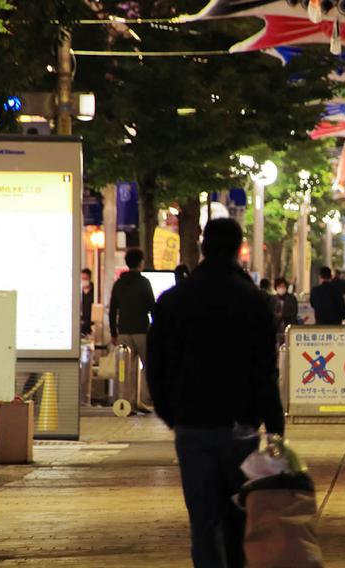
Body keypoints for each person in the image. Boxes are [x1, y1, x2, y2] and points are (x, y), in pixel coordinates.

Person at [146, 218, 283, 568]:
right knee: (239, 516)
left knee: (203, 522)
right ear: (239, 248)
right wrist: (274, 423)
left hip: (191, 421)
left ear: (203, 247)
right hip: (240, 423)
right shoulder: (253, 302)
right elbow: (265, 369)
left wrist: (169, 412)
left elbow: (157, 363)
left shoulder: (174, 300)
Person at [109, 248, 156, 411]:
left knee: (126, 368)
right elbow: (152, 306)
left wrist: (113, 332)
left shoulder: (119, 283)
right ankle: (144, 399)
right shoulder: (143, 282)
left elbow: (112, 309)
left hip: (123, 332)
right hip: (141, 331)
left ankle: (126, 400)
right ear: (141, 262)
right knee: (148, 365)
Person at [80, 268, 95, 337]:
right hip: (80, 324)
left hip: (91, 324)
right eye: (82, 278)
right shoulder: (78, 292)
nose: (84, 280)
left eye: (85, 278)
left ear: (89, 278)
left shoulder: (95, 292)